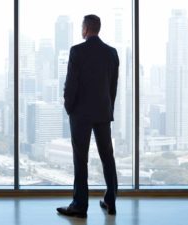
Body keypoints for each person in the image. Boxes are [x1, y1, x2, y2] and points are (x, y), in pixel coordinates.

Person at [56, 14, 119, 218]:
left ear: (85, 29)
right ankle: (110, 202)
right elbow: (113, 87)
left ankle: (80, 206)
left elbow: (71, 83)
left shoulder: (77, 51)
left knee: (80, 159)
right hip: (102, 111)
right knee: (107, 156)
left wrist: (68, 106)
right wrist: (108, 108)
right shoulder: (111, 53)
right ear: (98, 29)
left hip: (81, 114)